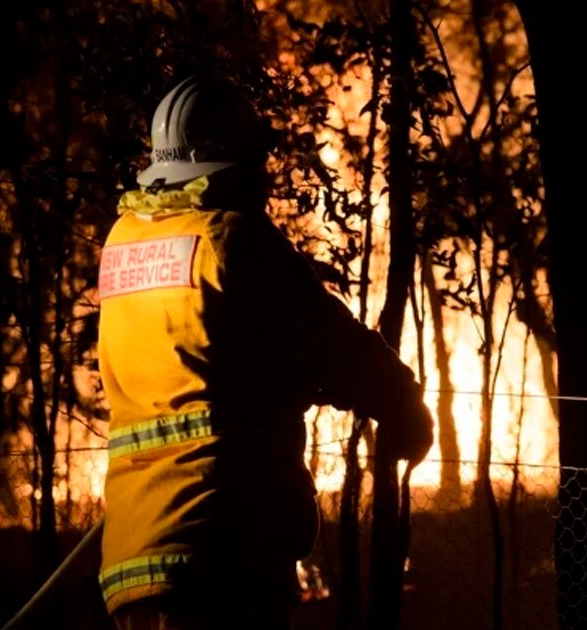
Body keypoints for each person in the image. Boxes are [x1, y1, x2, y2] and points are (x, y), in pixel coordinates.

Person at [96, 75, 434, 629]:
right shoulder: (232, 241)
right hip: (226, 553)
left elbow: (200, 365)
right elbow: (333, 345)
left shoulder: (122, 245)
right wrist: (405, 407)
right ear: (234, 161)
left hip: (133, 564)